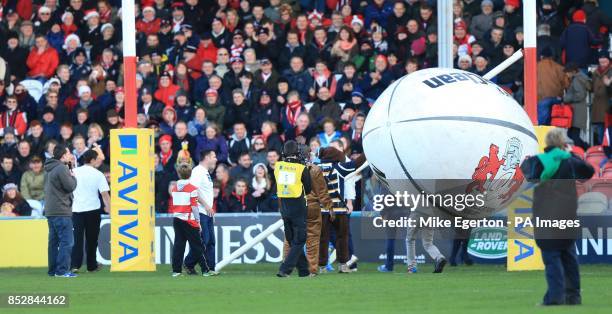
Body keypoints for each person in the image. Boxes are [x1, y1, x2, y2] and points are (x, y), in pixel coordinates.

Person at [521, 128, 594, 306]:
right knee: (569, 257)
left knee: (551, 258)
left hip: (546, 215)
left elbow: (526, 171)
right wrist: (570, 154)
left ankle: (554, 297)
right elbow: (589, 172)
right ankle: (573, 297)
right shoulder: (570, 161)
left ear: (546, 143)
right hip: (567, 215)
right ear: (563, 143)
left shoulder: (538, 161)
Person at [275, 140, 312, 277]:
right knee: (300, 239)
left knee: (291, 239)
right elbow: (308, 189)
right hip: (298, 205)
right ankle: (285, 269)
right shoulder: (301, 168)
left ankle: (303, 271)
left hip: (284, 206)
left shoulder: (278, 166)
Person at [70, 149, 110, 273]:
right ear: (92, 160)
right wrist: (110, 208)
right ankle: (91, 266)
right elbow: (105, 194)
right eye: (97, 159)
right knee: (92, 240)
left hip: (76, 210)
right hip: (92, 210)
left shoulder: (74, 172)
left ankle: (75, 265)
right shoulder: (98, 174)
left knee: (77, 239)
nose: (98, 161)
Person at [169, 163, 211, 277]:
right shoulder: (192, 189)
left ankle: (176, 271)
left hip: (177, 219)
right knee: (197, 246)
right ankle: (205, 270)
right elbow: (194, 207)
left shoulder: (175, 188)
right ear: (191, 174)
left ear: (178, 173)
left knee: (178, 245)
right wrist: (198, 221)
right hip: (188, 220)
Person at [44, 144, 78, 277]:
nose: (70, 155)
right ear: (63, 155)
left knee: (53, 242)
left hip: (51, 210)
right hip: (61, 210)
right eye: (68, 153)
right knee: (67, 241)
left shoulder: (48, 168)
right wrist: (73, 177)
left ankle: (52, 270)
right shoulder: (61, 168)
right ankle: (62, 271)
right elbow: (70, 186)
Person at [184, 150, 218, 276]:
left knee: (210, 241)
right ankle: (188, 263)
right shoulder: (198, 171)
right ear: (207, 157)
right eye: (214, 157)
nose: (216, 159)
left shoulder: (205, 173)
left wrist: (210, 210)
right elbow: (192, 191)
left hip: (207, 212)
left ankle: (210, 268)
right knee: (204, 240)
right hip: (200, 212)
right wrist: (206, 206)